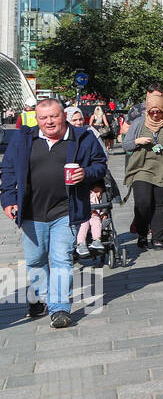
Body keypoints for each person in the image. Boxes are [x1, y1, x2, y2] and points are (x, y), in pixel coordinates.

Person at [1, 99, 109, 327]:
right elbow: (8, 169)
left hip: (66, 210)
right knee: (35, 260)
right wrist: (8, 199)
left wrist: (86, 173)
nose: (49, 121)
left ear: (64, 116)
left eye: (54, 116)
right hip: (31, 211)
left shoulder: (83, 137)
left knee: (61, 259)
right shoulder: (24, 138)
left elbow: (100, 165)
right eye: (43, 118)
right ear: (37, 119)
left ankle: (59, 308)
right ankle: (42, 296)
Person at [122, 93, 163, 251]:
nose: (155, 115)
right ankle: (142, 233)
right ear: (147, 110)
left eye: (159, 112)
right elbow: (126, 145)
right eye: (152, 111)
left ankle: (158, 238)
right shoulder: (139, 123)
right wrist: (138, 141)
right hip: (141, 168)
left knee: (158, 204)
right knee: (142, 203)